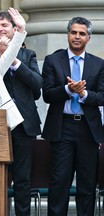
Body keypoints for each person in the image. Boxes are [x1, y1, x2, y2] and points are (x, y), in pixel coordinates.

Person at [42, 17, 104, 215]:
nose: (77, 37)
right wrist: (68, 90)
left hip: (88, 129)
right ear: (68, 34)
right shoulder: (53, 60)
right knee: (59, 183)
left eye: (82, 33)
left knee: (87, 186)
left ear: (89, 38)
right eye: (73, 32)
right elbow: (48, 94)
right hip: (62, 128)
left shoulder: (99, 64)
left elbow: (102, 96)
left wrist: (83, 94)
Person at [0, 10, 43, 215]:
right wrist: (1, 57)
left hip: (23, 124)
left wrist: (13, 60)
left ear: (15, 29)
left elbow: (37, 86)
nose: (0, 29)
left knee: (22, 179)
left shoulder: (27, 55)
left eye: (4, 25)